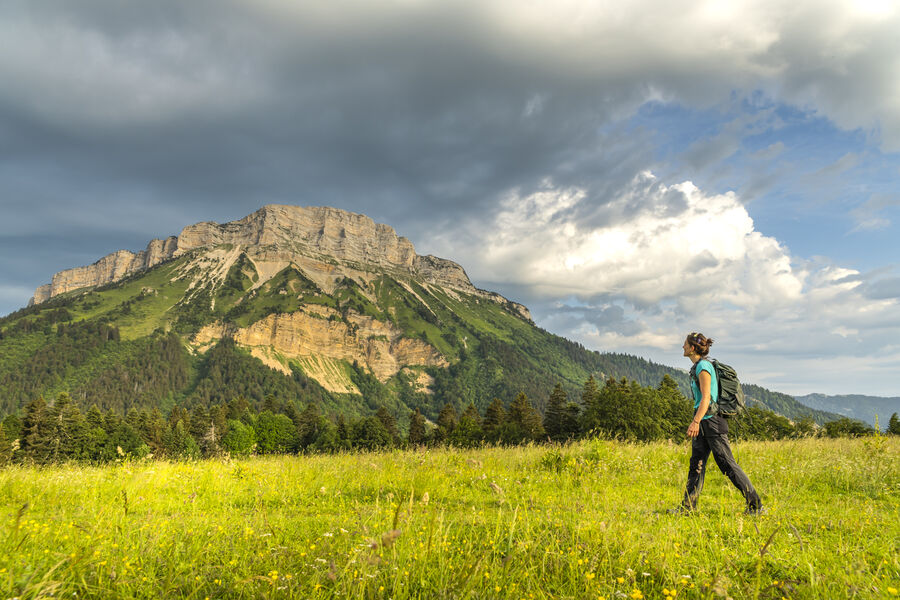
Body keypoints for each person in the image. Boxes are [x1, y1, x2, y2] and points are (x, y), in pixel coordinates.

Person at [672, 332, 763, 515]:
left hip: (711, 422)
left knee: (727, 464)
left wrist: (695, 421)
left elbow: (707, 397)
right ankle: (687, 508)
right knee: (696, 463)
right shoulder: (698, 366)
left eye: (685, 344)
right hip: (704, 422)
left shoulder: (703, 367)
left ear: (693, 348)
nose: (682, 347)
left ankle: (756, 506)